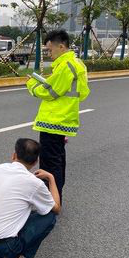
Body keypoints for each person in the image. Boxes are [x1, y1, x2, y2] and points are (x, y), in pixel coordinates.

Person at [26, 29, 89, 202]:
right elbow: (82, 93)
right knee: (58, 160)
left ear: (61, 46)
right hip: (64, 119)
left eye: (49, 50)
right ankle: (55, 196)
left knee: (49, 164)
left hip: (53, 120)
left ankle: (51, 201)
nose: (49, 54)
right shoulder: (78, 64)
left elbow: (51, 92)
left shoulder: (65, 66)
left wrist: (31, 85)